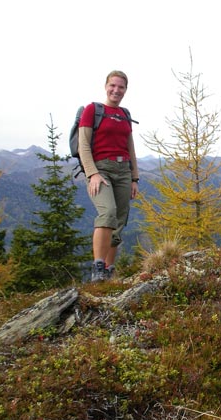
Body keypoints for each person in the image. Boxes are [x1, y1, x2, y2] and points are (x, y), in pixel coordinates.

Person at [78, 70, 139, 282]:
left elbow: (130, 148)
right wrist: (92, 173)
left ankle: (109, 270)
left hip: (123, 171)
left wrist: (134, 178)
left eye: (121, 87)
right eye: (113, 85)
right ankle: (97, 268)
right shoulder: (92, 110)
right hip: (100, 169)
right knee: (108, 212)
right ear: (106, 86)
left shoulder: (125, 114)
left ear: (125, 90)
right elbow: (83, 144)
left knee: (119, 221)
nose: (116, 90)